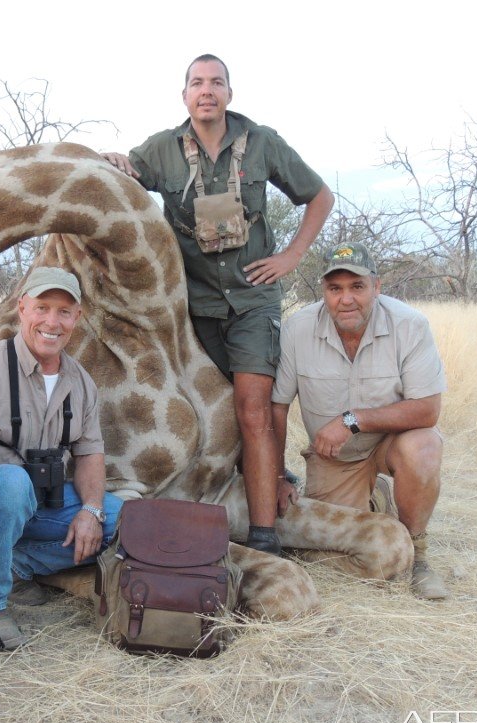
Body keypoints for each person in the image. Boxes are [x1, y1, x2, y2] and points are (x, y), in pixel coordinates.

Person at [102, 53, 333, 556]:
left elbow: (319, 196)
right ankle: (219, 506)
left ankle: (266, 538)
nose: (207, 91)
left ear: (230, 92)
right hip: (194, 305)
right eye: (197, 83)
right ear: (184, 95)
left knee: (254, 409)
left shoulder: (263, 142)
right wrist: (117, 162)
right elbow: (125, 175)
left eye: (216, 82)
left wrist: (291, 256)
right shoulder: (161, 149)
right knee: (212, 411)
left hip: (252, 300)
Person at [0, 267, 123, 648]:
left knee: (124, 519)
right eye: (42, 307)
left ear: (77, 318)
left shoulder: (81, 382)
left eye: (64, 312)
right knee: (12, 484)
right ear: (22, 309)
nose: (52, 321)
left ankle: (17, 564)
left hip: (41, 503)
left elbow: (90, 452)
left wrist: (91, 511)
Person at [271, 242, 450, 599]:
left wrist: (352, 420)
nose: (346, 299)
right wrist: (277, 475)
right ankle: (377, 501)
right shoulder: (297, 329)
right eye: (335, 289)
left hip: (389, 443)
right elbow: (277, 407)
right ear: (324, 291)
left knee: (424, 446)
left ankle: (418, 557)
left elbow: (428, 409)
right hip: (335, 457)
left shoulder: (410, 325)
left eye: (357, 287)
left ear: (377, 287)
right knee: (321, 548)